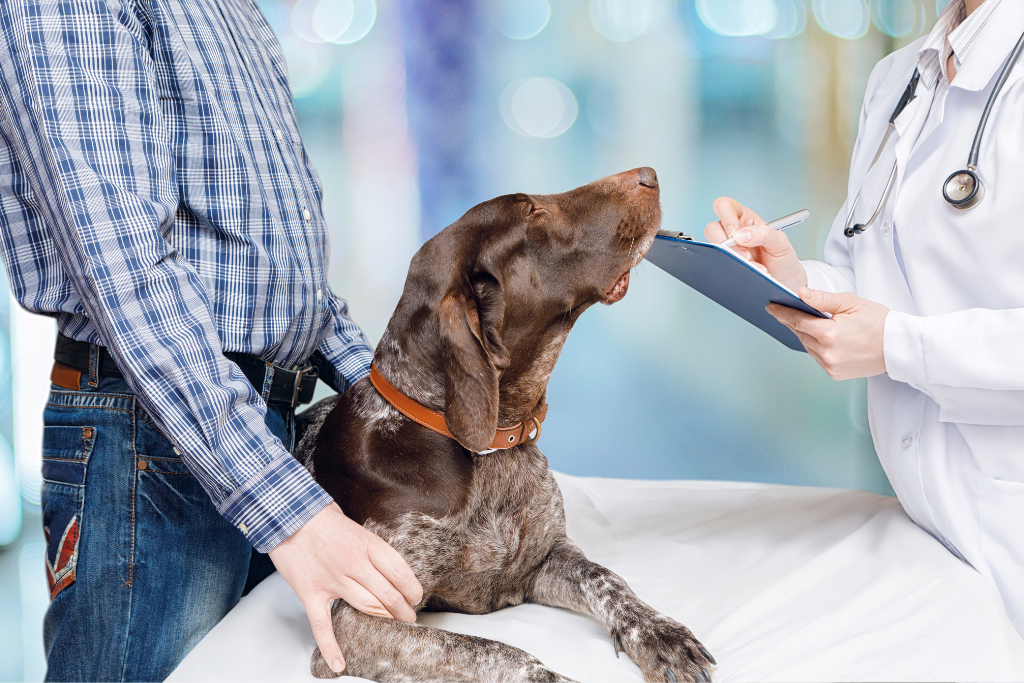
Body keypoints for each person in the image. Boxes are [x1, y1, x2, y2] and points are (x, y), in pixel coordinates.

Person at [0, 0, 422, 680]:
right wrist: (294, 518)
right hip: (146, 443)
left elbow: (285, 274)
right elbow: (127, 274)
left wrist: (403, 413)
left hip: (260, 435)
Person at [706, 0, 1024, 639]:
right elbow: (874, 279)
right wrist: (795, 281)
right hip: (928, 524)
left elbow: (895, 332)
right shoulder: (898, 79)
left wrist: (898, 346)